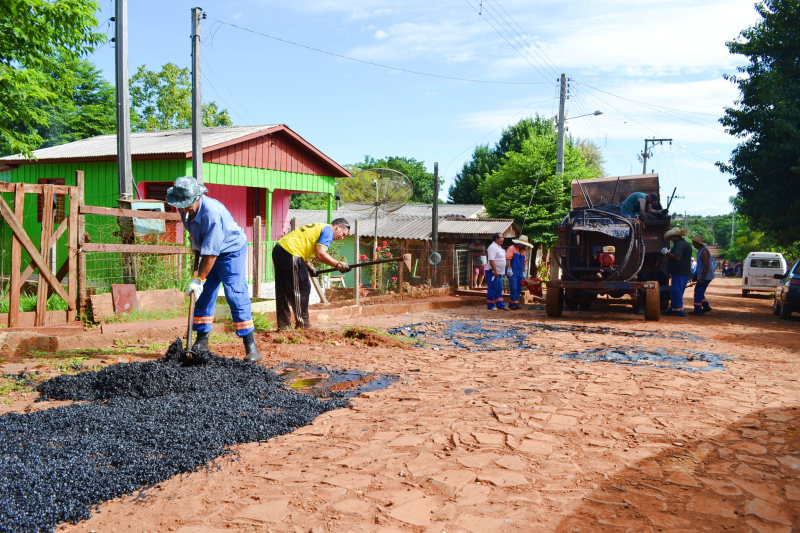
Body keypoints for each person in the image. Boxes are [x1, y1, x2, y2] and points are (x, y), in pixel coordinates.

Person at [166, 176, 260, 362]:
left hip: (231, 250)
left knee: (234, 293)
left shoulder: (212, 213)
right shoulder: (183, 207)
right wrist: (195, 243)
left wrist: (198, 280)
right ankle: (201, 341)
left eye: (187, 204)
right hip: (209, 250)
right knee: (205, 294)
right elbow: (196, 234)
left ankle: (250, 346)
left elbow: (212, 254)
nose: (183, 208)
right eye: (181, 204)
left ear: (197, 197)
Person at [273, 218, 351, 330]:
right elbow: (321, 253)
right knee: (301, 287)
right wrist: (338, 264)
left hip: (280, 249)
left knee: (283, 290)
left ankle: (284, 326)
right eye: (343, 234)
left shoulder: (319, 225)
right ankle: (303, 324)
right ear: (338, 226)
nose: (342, 238)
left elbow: (304, 244)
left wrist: (309, 266)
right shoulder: (328, 231)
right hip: (291, 252)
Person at [662, 228, 692, 317]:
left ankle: (679, 310)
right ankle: (674, 307)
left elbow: (677, 257)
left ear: (675, 236)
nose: (671, 239)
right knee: (677, 290)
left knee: (676, 290)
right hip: (682, 271)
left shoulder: (679, 244)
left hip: (680, 271)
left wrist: (667, 253)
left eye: (672, 237)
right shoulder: (683, 243)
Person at [689, 234, 715, 315]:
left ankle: (698, 310)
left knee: (698, 292)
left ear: (698, 243)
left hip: (706, 276)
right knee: (699, 291)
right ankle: (706, 306)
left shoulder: (704, 251)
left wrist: (703, 277)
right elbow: (700, 266)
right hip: (704, 275)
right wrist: (695, 276)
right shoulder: (700, 251)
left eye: (694, 242)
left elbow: (706, 265)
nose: (693, 244)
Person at [506, 235, 533, 310]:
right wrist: (509, 269)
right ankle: (514, 304)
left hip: (520, 273)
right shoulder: (511, 248)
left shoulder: (523, 252)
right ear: (519, 243)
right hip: (513, 272)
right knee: (513, 288)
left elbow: (524, 263)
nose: (524, 245)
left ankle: (514, 303)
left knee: (518, 288)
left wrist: (524, 272)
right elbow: (508, 259)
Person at [485, 233, 508, 311]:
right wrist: (495, 270)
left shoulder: (499, 247)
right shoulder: (492, 247)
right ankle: (490, 305)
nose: (503, 239)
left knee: (499, 288)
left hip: (499, 272)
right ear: (496, 239)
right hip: (493, 272)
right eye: (501, 238)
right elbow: (491, 260)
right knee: (492, 288)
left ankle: (500, 304)